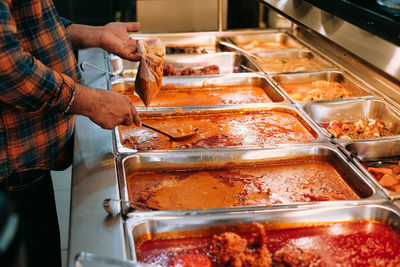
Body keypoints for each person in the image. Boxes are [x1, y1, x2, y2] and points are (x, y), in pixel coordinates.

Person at [0, 0, 142, 266]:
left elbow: (32, 28)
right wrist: (92, 102)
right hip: (10, 169)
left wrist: (98, 35)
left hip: (23, 164)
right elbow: (6, 65)